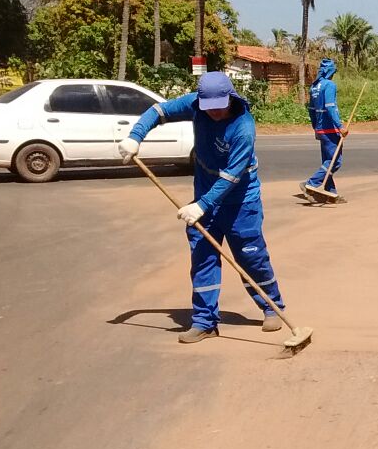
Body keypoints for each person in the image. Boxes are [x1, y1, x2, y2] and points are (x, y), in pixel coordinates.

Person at [119, 71, 286, 343]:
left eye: (219, 107)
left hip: (240, 202)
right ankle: (204, 321)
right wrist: (135, 137)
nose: (214, 112)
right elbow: (158, 111)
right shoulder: (195, 104)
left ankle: (271, 306)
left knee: (251, 258)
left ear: (230, 98)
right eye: (210, 107)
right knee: (202, 258)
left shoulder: (243, 127)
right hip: (204, 198)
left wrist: (201, 205)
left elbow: (232, 176)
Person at [304, 58, 346, 198]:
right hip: (330, 129)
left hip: (321, 129)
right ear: (330, 72)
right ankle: (312, 183)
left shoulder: (314, 86)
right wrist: (340, 126)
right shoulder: (329, 85)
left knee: (328, 161)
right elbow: (330, 106)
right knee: (335, 161)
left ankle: (330, 192)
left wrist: (315, 127)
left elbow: (311, 109)